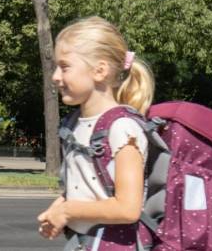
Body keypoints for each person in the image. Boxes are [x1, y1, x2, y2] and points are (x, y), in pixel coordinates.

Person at [35, 17, 152, 248]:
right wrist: (58, 209)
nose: (55, 76)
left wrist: (68, 211)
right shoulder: (76, 124)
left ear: (99, 71)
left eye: (65, 66)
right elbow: (91, 191)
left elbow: (128, 208)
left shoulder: (122, 127)